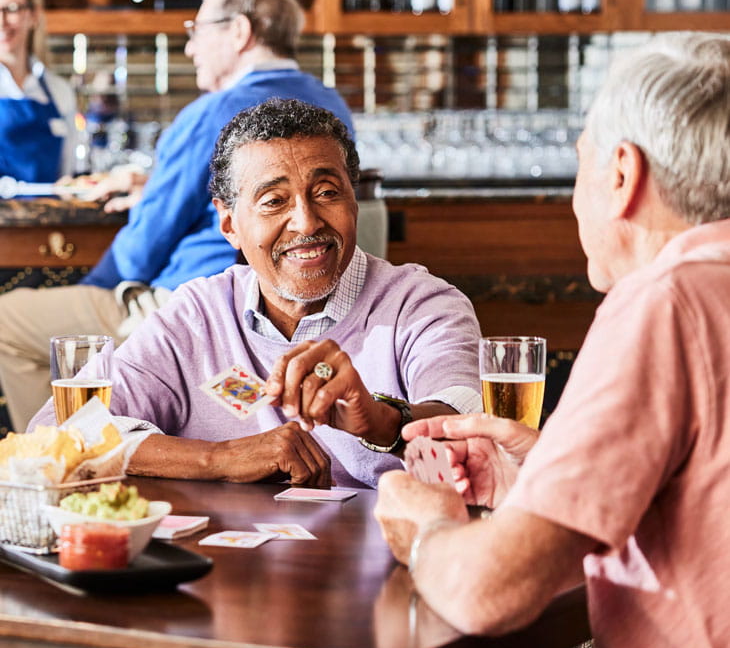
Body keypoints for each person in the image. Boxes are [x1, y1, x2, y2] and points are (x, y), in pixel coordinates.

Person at [364, 30, 730, 648]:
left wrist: (428, 528)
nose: (576, 196)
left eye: (580, 166)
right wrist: (540, 476)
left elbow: (489, 594)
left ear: (623, 175)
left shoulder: (664, 303)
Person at [31, 97, 481, 488]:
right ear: (228, 224)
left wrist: (381, 421)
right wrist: (219, 459)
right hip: (220, 575)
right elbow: (58, 430)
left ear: (353, 200)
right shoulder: (197, 315)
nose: (306, 222)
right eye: (274, 201)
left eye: (326, 192)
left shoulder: (422, 306)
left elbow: (473, 433)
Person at [0, 0, 354, 431]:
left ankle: (63, 460)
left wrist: (98, 285)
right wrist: (158, 183)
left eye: (198, 30)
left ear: (239, 33)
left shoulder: (212, 113)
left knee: (6, 322)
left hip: (195, 302)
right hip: (298, 302)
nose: (190, 48)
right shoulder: (331, 105)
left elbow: (148, 239)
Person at [0, 0, 77, 183]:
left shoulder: (59, 91)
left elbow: (66, 175)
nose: (2, 21)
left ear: (33, 14)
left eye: (12, 8)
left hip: (49, 216)